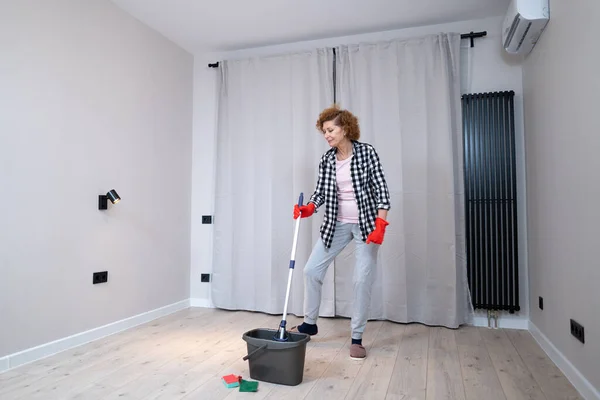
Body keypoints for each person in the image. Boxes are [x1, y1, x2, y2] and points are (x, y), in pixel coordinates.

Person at [290, 104, 391, 360]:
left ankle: (356, 338)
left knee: (361, 280)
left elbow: (381, 189)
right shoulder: (327, 158)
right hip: (336, 224)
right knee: (311, 270)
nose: (327, 135)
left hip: (366, 225)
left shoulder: (366, 153)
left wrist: (381, 223)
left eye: (330, 129)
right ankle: (309, 324)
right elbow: (321, 191)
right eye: (324, 131)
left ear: (345, 128)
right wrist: (309, 207)